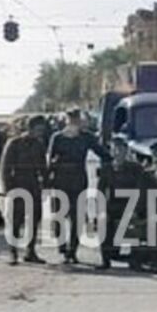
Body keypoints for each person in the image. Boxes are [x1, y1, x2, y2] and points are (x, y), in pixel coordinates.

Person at [45, 110, 105, 264]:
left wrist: (115, 162)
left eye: (76, 119)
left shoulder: (86, 138)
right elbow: (50, 160)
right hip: (60, 181)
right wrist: (46, 180)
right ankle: (62, 245)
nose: (74, 122)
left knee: (77, 218)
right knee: (58, 215)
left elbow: (102, 153)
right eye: (71, 119)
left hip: (78, 180)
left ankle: (72, 250)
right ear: (66, 120)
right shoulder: (57, 138)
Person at [0, 115, 49, 264]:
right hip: (18, 184)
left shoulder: (39, 145)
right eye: (38, 129)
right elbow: (5, 168)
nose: (41, 132)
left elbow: (42, 167)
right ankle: (12, 252)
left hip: (33, 185)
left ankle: (30, 251)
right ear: (30, 128)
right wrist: (8, 189)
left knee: (34, 219)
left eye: (42, 130)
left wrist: (45, 183)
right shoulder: (14, 144)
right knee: (16, 220)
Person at [97, 138, 147, 271]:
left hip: (130, 205)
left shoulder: (135, 168)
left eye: (121, 149)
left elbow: (141, 190)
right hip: (113, 206)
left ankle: (135, 261)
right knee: (104, 222)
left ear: (126, 151)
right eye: (115, 149)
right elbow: (100, 191)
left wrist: (136, 209)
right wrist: (102, 211)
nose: (118, 152)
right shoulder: (106, 168)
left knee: (135, 223)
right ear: (111, 152)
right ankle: (106, 260)